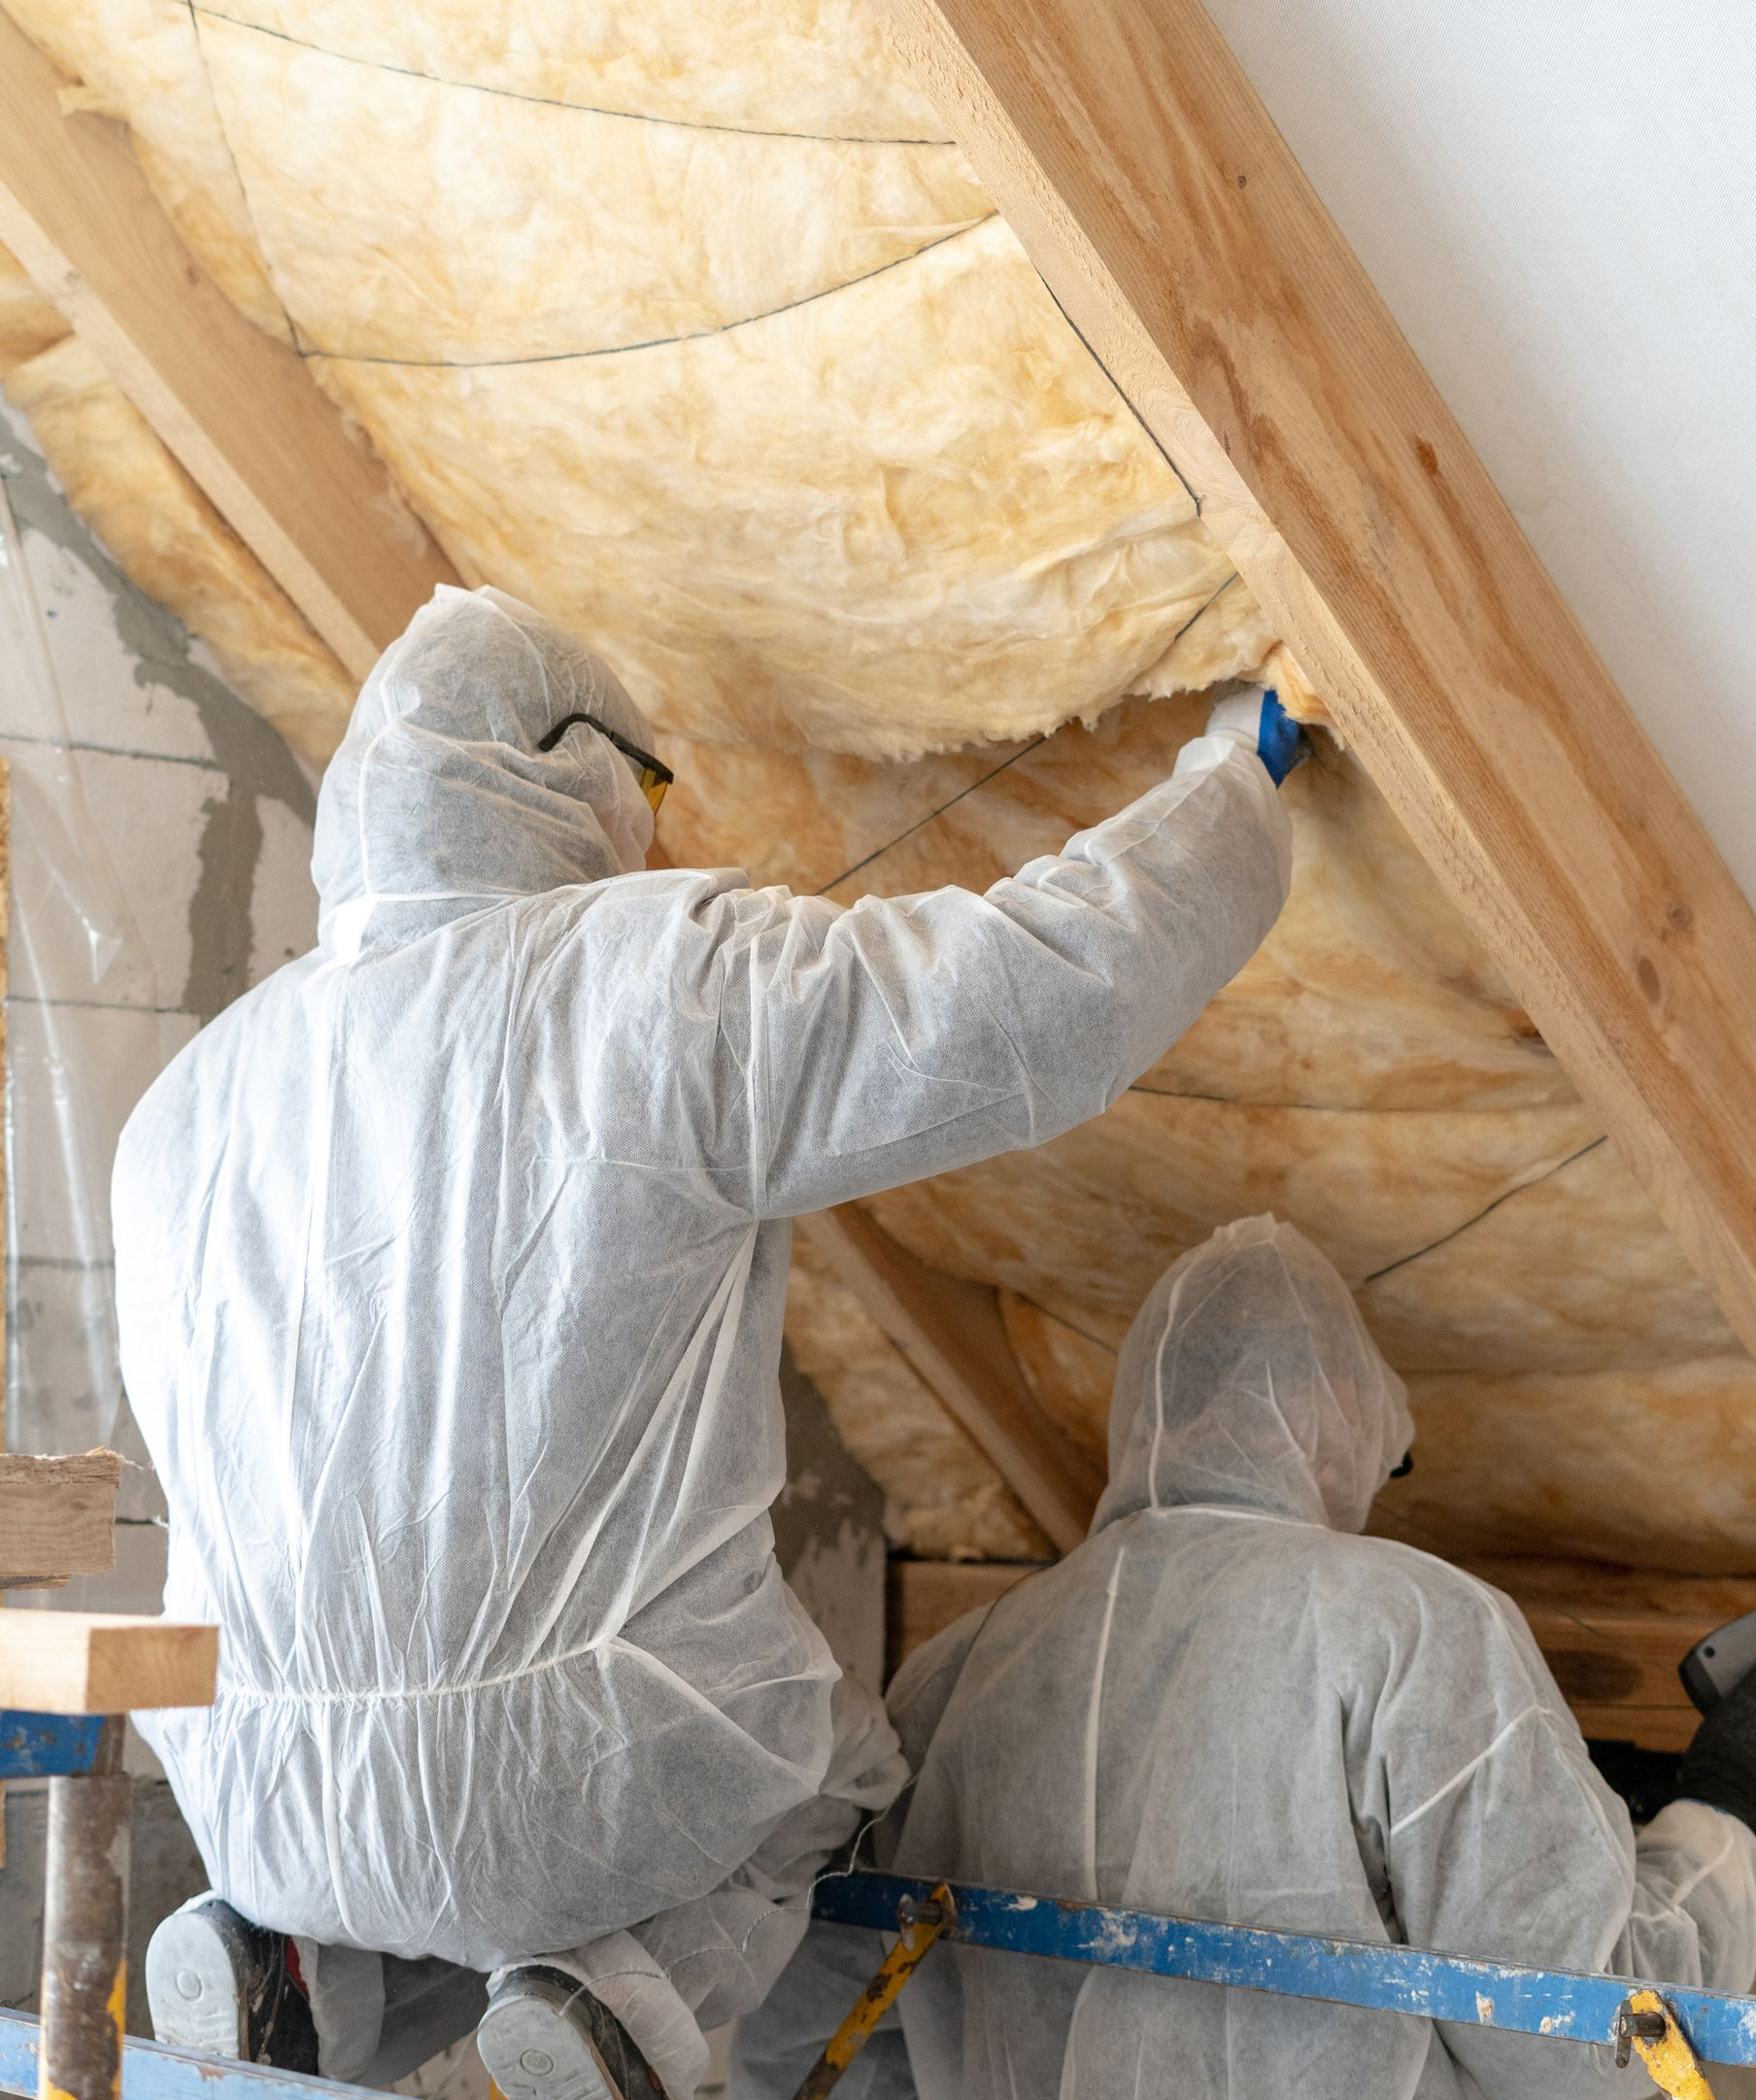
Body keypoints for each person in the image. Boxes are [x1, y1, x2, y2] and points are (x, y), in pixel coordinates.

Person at [113, 587, 1304, 2100]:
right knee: (834, 1779)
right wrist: (1234, 794)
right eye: (648, 789)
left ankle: (296, 1978)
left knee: (424, 1851)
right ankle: (612, 2006)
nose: (653, 834)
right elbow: (1025, 1003)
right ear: (562, 767)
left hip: (255, 1789)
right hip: (586, 1786)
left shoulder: (183, 1107)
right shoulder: (653, 982)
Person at [732, 1216, 1756, 2100]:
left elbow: (802, 2030)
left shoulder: (955, 1665)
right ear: (1334, 1408)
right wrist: (1725, 1799)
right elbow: (1582, 2039)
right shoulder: (1408, 1622)